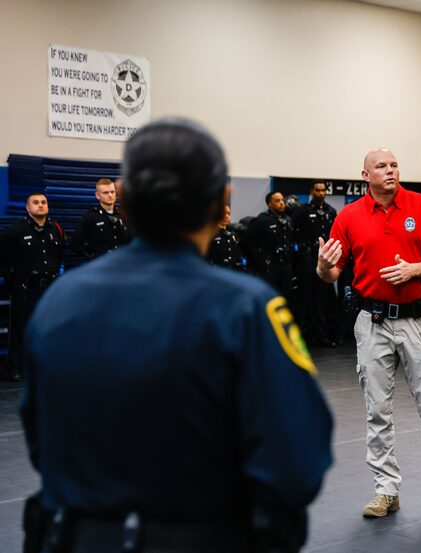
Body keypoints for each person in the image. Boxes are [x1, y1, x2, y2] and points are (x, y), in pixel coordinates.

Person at [20, 118, 333, 553]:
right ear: (220, 201)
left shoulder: (59, 302)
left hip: (77, 536)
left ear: (124, 200)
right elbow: (299, 458)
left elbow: (40, 438)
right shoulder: (244, 308)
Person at [317, 148, 421, 518]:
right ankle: (385, 490)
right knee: (377, 411)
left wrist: (416, 270)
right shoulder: (349, 216)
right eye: (381, 166)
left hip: (418, 322)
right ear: (365, 175)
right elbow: (331, 273)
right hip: (371, 323)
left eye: (393, 165)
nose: (390, 171)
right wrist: (323, 267)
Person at [0, 193, 64, 382]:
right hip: (25, 287)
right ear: (28, 208)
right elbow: (2, 260)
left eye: (43, 202)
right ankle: (16, 367)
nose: (40, 205)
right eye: (35, 203)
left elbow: (59, 254)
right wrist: (14, 280)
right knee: (20, 328)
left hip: (49, 286)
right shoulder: (15, 231)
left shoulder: (56, 229)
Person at [292, 182, 339, 346]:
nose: (321, 193)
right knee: (304, 299)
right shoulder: (302, 211)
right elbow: (292, 233)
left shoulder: (330, 211)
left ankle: (321, 335)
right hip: (307, 259)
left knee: (322, 300)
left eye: (323, 190)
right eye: (317, 190)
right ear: (312, 192)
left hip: (324, 261)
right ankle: (298, 337)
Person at [242, 192, 294, 292]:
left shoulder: (287, 220)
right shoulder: (262, 220)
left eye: (282, 200)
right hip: (269, 265)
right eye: (277, 201)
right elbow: (247, 242)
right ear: (269, 204)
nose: (281, 203)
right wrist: (258, 262)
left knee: (286, 295)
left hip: (285, 264)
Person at [69, 177, 130, 259]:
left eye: (112, 192)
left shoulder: (123, 215)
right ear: (97, 195)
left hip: (122, 264)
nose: (110, 195)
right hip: (102, 267)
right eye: (106, 193)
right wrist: (93, 257)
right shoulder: (91, 217)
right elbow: (75, 244)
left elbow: (131, 240)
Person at [207, 204, 246, 271]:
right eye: (223, 213)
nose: (227, 216)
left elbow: (238, 255)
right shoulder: (210, 235)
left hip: (233, 272)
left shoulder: (233, 235)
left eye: (229, 213)